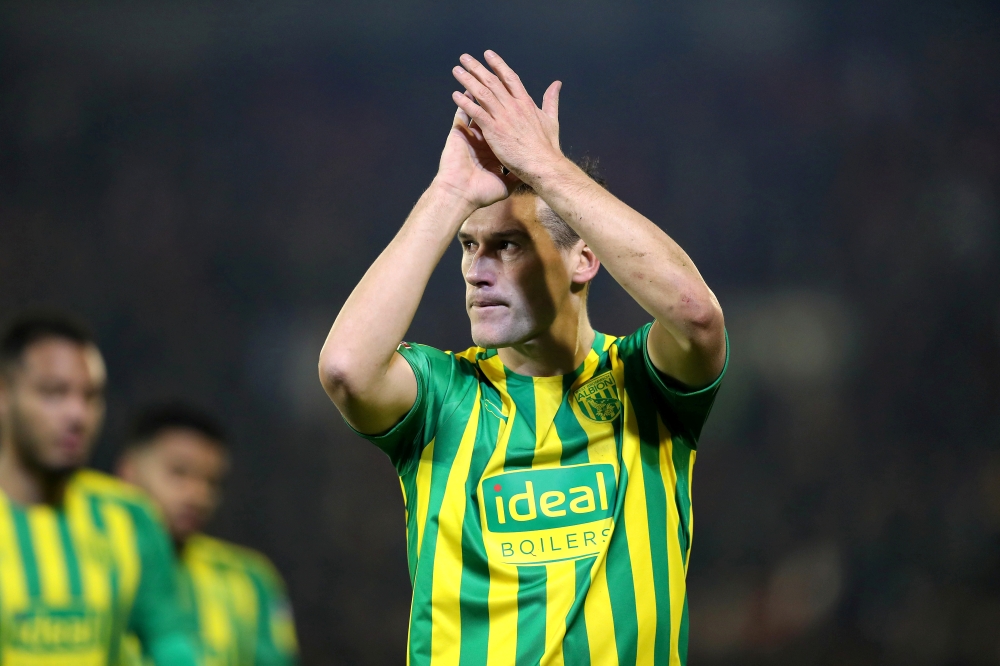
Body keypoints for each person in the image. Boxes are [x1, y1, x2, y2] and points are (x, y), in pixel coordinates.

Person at [318, 50, 728, 664]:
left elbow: (697, 315)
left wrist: (546, 167)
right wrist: (450, 191)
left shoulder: (646, 383)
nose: (476, 273)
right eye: (468, 246)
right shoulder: (442, 395)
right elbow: (346, 369)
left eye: (506, 245)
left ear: (583, 261)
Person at [0, 311, 198, 665]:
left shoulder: (130, 517)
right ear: (4, 394)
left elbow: (171, 644)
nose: (77, 415)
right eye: (54, 393)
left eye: (90, 397)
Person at [117, 402, 299, 666]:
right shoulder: (96, 562)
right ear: (129, 471)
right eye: (179, 472)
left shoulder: (249, 578)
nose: (198, 496)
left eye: (211, 482)